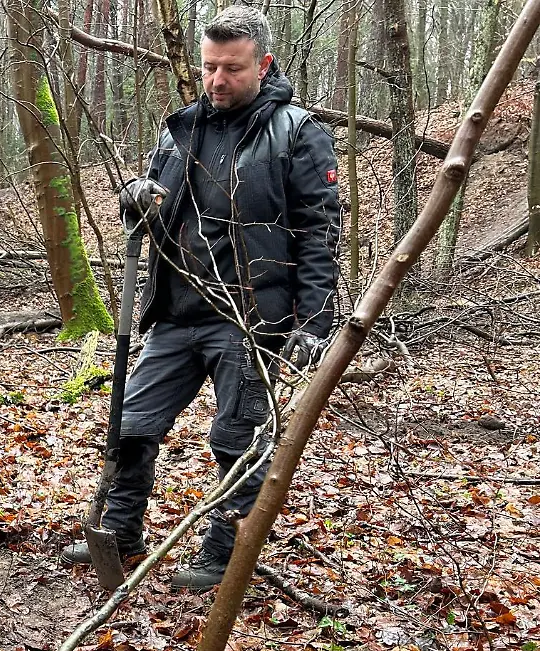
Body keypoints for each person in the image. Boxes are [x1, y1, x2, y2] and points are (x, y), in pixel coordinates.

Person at [61, 5, 340, 588]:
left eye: (232, 69)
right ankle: (118, 534)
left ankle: (221, 556)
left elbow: (319, 234)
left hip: (247, 317)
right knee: (130, 423)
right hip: (174, 312)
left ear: (263, 65)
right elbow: (153, 205)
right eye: (210, 67)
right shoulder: (182, 127)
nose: (217, 80)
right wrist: (134, 198)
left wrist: (314, 323)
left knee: (236, 438)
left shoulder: (297, 134)